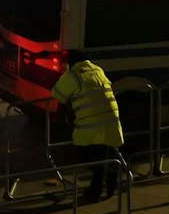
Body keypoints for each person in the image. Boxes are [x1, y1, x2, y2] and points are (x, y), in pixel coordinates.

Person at [49, 52, 123, 203]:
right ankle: (109, 179)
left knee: (84, 153)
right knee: (101, 155)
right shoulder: (97, 70)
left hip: (91, 124)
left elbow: (56, 93)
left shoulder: (73, 75)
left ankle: (97, 190)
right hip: (112, 120)